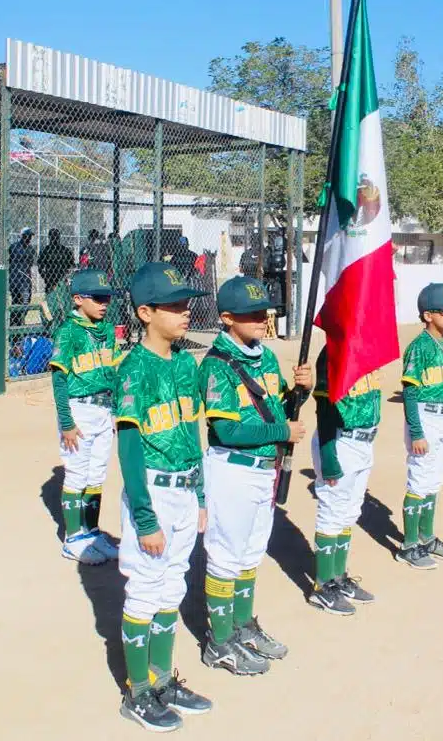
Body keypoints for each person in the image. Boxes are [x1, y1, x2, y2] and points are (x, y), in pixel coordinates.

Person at [197, 276, 311, 676]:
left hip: (265, 472)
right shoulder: (216, 365)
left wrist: (303, 391)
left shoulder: (265, 357)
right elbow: (226, 431)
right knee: (226, 555)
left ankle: (242, 625)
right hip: (232, 470)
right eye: (252, 314)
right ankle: (219, 640)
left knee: (250, 553)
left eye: (265, 311)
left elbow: (279, 405)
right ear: (227, 318)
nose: (263, 318)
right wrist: (282, 432)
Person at [114, 262, 212, 731]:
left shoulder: (186, 364)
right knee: (145, 590)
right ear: (145, 312)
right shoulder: (134, 368)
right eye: (173, 305)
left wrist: (201, 495)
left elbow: (194, 432)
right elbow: (130, 450)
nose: (185, 311)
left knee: (174, 586)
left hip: (184, 488)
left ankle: (161, 678)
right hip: (151, 490)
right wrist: (145, 518)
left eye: (186, 302)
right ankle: (137, 693)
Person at [48, 270, 121, 565]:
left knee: (97, 474)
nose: (105, 303)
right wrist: (66, 422)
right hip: (79, 409)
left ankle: (91, 533)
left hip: (104, 409)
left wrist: (116, 411)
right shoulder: (69, 331)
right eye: (98, 298)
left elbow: (114, 374)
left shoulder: (106, 329)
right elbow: (58, 379)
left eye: (107, 298)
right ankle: (73, 538)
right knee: (77, 473)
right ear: (78, 299)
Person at [398, 283, 443, 570]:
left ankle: (427, 537)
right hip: (425, 418)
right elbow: (410, 393)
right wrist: (416, 432)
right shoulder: (418, 348)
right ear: (428, 315)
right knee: (419, 479)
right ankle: (409, 545)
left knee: (435, 480)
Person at [309, 345, 381, 614]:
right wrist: (329, 457)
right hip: (340, 441)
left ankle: (338, 577)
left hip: (363, 444)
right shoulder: (333, 354)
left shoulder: (370, 353)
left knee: (350, 512)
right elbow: (324, 410)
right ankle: (322, 586)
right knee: (332, 511)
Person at [8, 228, 37, 327]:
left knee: (26, 302)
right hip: (15, 279)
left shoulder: (31, 249)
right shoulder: (14, 247)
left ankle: (20, 322)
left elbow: (30, 263)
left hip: (25, 279)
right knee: (16, 301)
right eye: (26, 235)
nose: (28, 238)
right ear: (22, 236)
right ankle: (14, 324)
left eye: (30, 236)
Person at [38, 228, 75, 294]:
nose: (54, 238)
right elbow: (40, 267)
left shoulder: (46, 250)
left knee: (53, 298)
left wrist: (45, 277)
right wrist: (45, 277)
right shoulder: (46, 250)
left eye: (55, 236)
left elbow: (71, 265)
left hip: (58, 278)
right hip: (54, 278)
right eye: (53, 236)